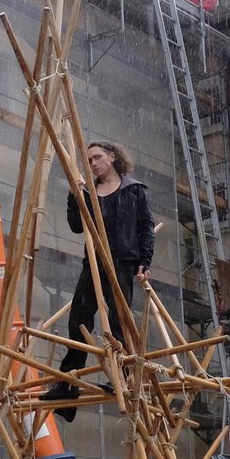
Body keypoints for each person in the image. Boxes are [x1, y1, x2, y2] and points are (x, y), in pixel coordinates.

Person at [46, 140, 155, 422]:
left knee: (118, 323)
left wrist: (145, 261)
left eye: (97, 158)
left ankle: (121, 376)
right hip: (92, 263)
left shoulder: (134, 190)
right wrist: (75, 195)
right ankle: (68, 384)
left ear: (113, 156)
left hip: (121, 262)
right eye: (90, 160)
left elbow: (146, 228)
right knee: (78, 321)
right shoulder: (89, 191)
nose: (93, 163)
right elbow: (76, 226)